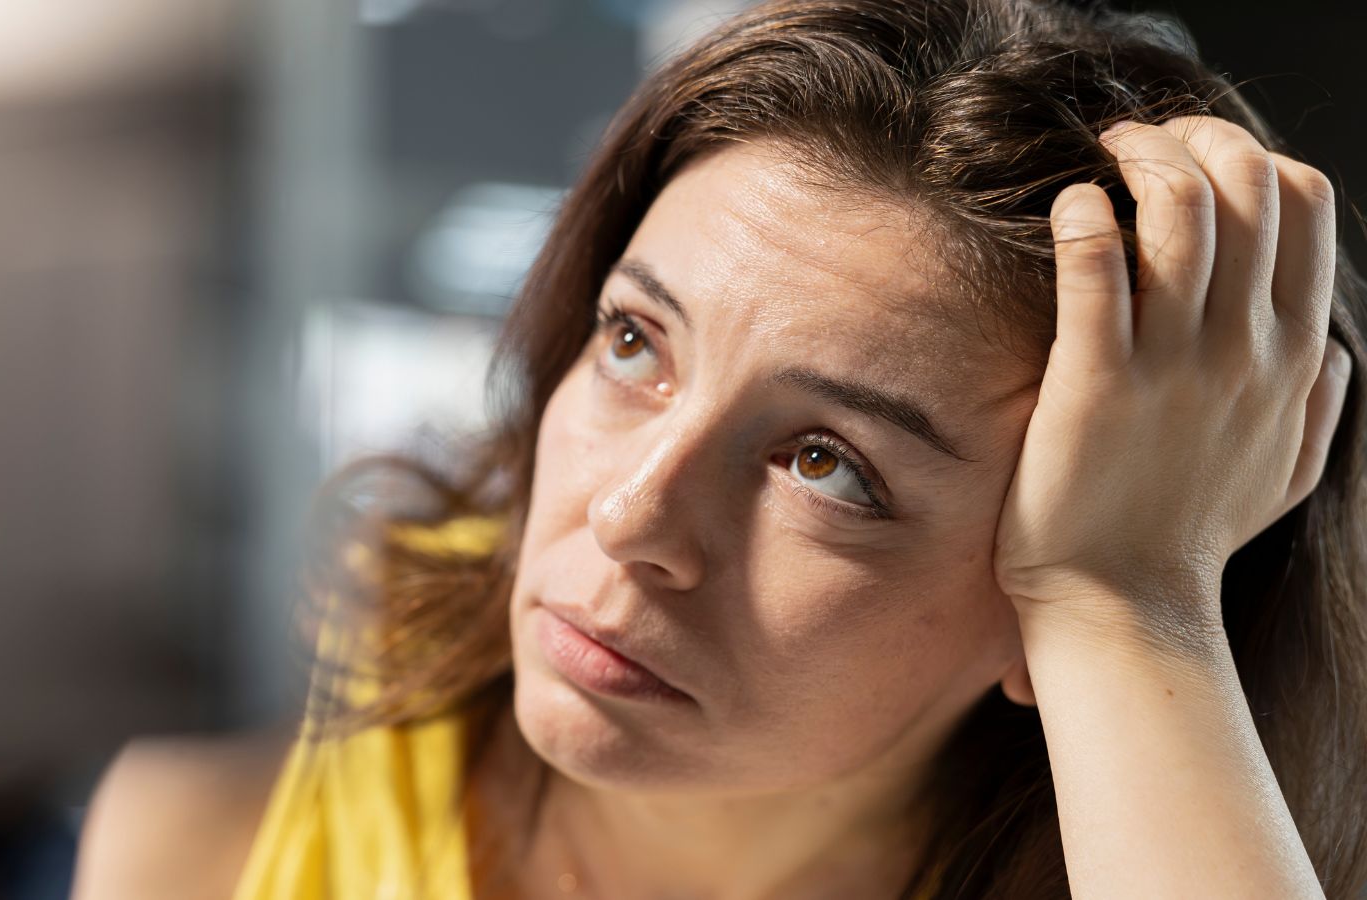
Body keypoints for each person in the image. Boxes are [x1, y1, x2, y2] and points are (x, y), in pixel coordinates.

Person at [70, 0, 1367, 896]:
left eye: (827, 463)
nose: (629, 517)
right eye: (635, 342)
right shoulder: (226, 807)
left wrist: (1129, 603)